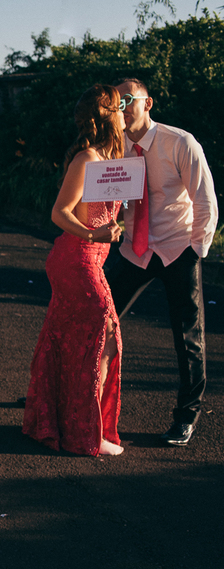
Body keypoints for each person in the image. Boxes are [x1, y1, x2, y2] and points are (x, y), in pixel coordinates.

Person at [107, 77, 218, 446]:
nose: (122, 108)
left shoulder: (180, 143)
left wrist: (195, 250)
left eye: (128, 100)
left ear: (148, 103)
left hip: (177, 248)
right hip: (134, 250)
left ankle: (186, 417)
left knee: (188, 337)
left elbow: (205, 202)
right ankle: (65, 396)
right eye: (116, 102)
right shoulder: (114, 148)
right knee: (96, 319)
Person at [23, 85, 127, 457]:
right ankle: (86, 432)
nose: (124, 111)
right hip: (75, 258)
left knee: (74, 342)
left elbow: (105, 211)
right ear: (108, 115)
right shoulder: (86, 159)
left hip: (94, 258)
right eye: (120, 106)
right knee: (104, 337)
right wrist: (94, 233)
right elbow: (59, 212)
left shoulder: (114, 159)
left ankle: (61, 423)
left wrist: (114, 228)